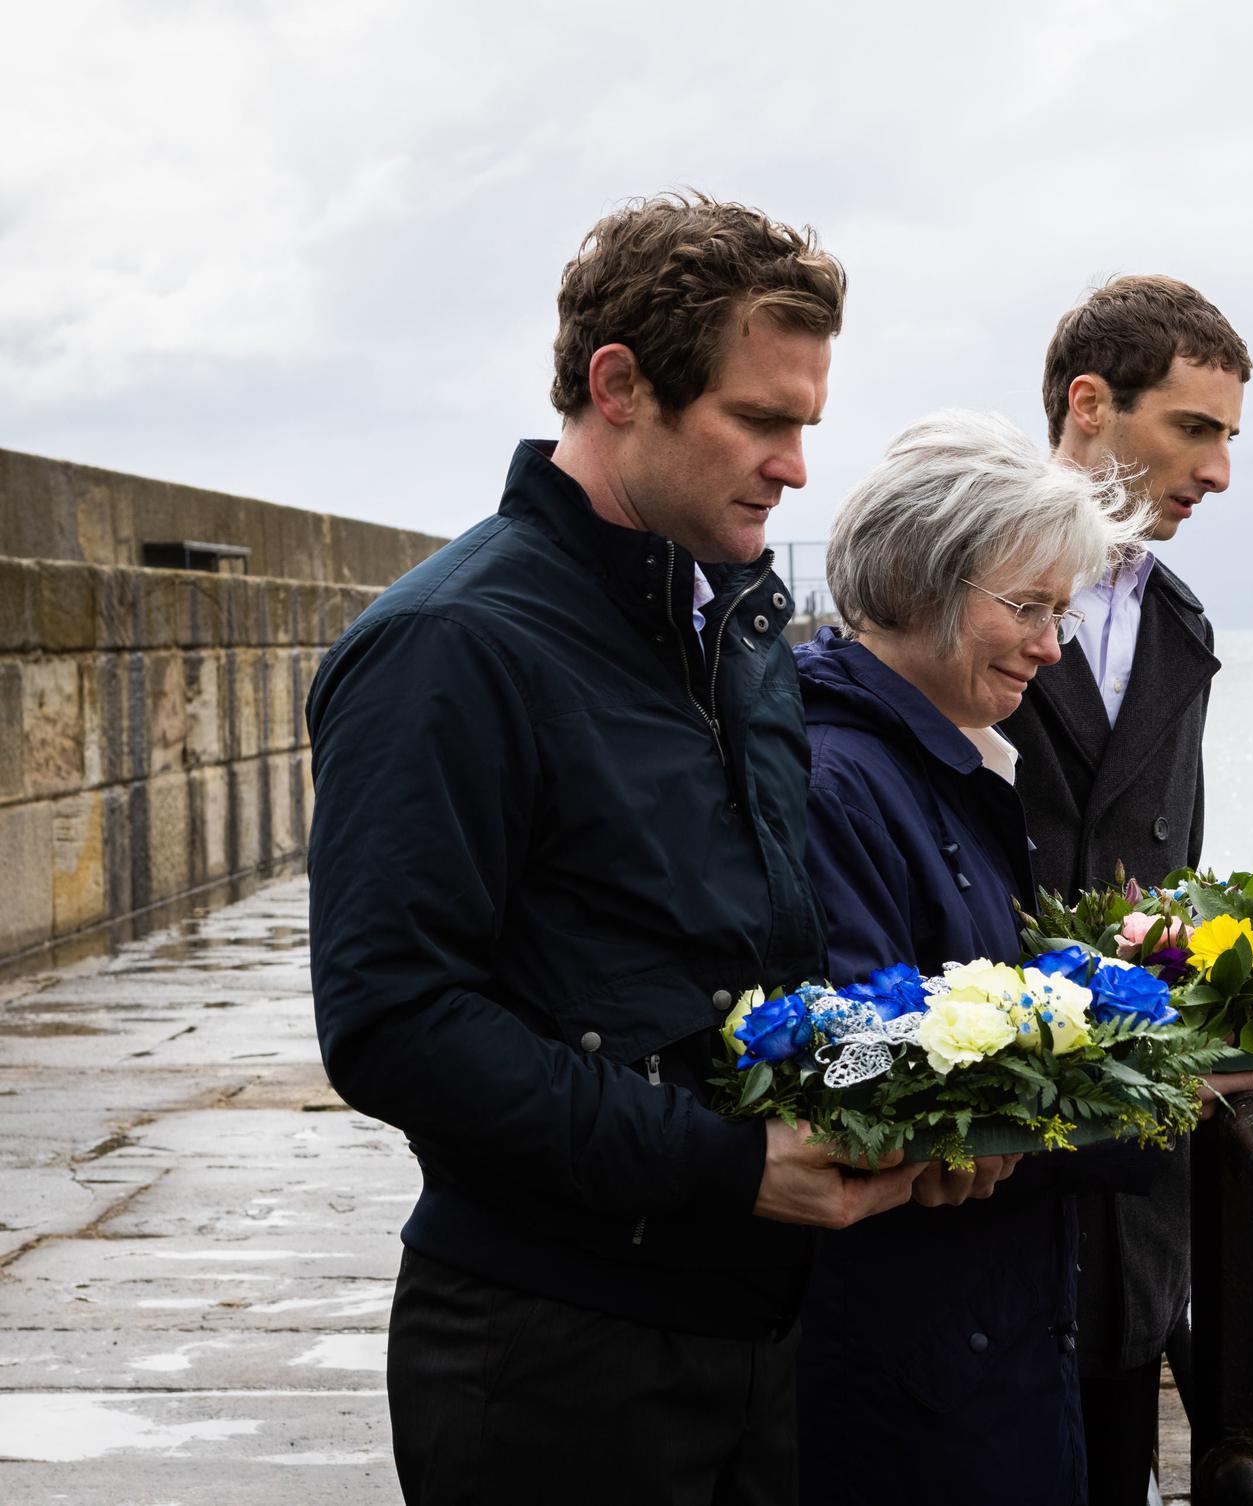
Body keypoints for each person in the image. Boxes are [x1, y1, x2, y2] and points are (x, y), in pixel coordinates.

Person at [305, 193, 920, 1506]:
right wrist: (731, 1167)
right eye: (761, 420)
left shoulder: (737, 623)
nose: (798, 465)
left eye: (806, 422)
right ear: (620, 384)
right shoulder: (448, 645)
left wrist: (912, 1098)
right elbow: (392, 1019)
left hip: (754, 1328)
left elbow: (758, 959)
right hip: (551, 1352)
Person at [792, 411, 1152, 1506]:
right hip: (915, 1364)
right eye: (1029, 608)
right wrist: (1157, 1095)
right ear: (918, 584)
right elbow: (864, 1079)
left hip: (979, 1340)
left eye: (1063, 610)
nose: (1052, 647)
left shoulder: (942, 767)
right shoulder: (837, 784)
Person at [1000, 275, 1253, 1504]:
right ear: (1089, 405)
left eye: (1226, 436)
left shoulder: (1180, 629)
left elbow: (1170, 888)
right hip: (983, 1160)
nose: (1216, 472)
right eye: (1193, 428)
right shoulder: (943, 595)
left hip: (1129, 1179)